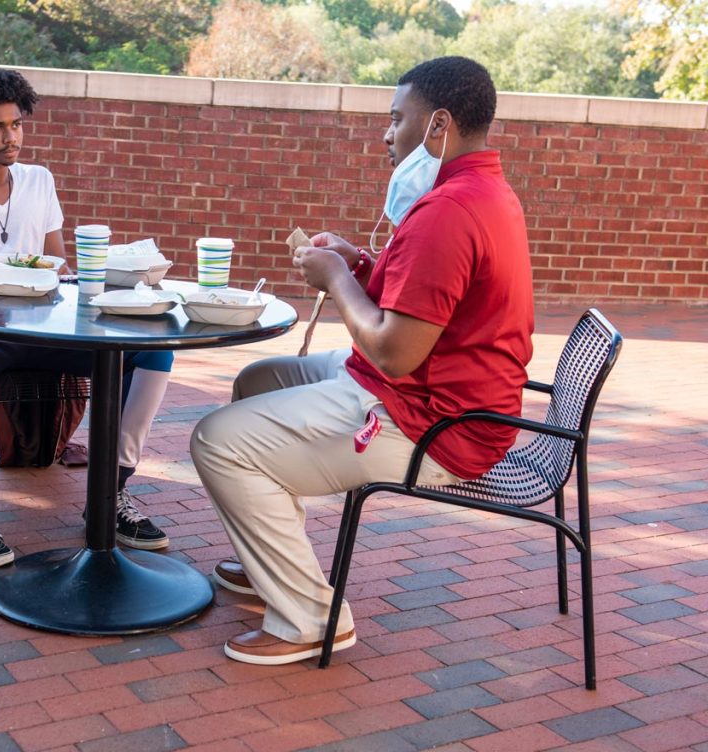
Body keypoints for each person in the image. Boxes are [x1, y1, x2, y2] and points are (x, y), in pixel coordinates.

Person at [190, 56, 534, 665]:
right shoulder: (481, 191)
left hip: (434, 422)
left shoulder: (448, 210)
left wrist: (335, 280)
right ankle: (272, 561)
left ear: (439, 125)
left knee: (217, 441)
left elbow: (395, 351)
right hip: (432, 394)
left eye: (397, 118)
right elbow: (425, 302)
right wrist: (361, 263)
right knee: (258, 381)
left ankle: (310, 620)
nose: (386, 133)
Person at [0, 67, 173, 570]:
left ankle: (110, 492)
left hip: (45, 325)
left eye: (17, 124)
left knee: (153, 347)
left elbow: (57, 264)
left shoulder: (39, 181)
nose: (11, 137)